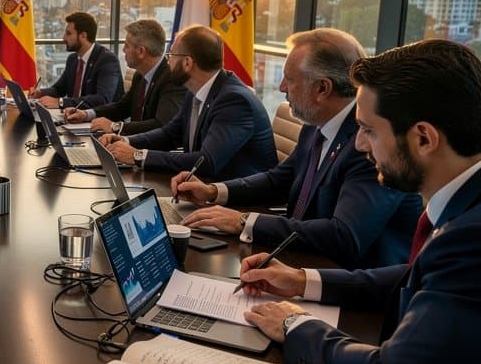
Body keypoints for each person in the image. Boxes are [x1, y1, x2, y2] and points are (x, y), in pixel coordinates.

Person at [238, 38, 481, 364]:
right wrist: (303, 280)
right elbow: (416, 275)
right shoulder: (466, 206)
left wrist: (297, 326)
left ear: (424, 138)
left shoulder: (472, 238)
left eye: (368, 130)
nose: (361, 145)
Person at [172, 28, 421, 268]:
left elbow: (344, 235)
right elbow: (279, 180)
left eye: (289, 79)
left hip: (348, 286)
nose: (281, 88)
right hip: (296, 261)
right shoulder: (316, 125)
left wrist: (244, 221)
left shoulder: (369, 144)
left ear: (322, 88)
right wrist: (214, 192)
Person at [100, 24, 276, 179]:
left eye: (171, 55)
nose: (168, 62)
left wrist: (138, 156)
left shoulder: (235, 101)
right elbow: (169, 135)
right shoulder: (196, 91)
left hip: (238, 203)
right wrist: (126, 140)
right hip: (200, 189)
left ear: (187, 63)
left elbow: (206, 162)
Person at [63, 18, 185, 135]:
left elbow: (161, 124)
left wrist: (115, 127)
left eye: (126, 45)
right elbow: (122, 107)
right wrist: (86, 114)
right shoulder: (140, 75)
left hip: (152, 152)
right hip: (131, 144)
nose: (123, 50)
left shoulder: (171, 79)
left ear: (141, 51)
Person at [29, 10, 124, 109]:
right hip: (74, 118)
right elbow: (59, 89)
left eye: (68, 34)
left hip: (100, 120)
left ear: (83, 36)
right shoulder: (73, 59)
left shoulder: (107, 60)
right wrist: (40, 92)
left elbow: (102, 99)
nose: (63, 38)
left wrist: (61, 102)